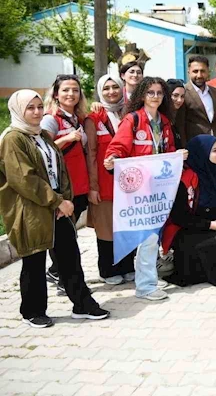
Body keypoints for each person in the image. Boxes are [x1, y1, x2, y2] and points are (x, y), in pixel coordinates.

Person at [0, 90, 109, 328]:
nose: (37, 112)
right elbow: (24, 179)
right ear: (19, 110)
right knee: (34, 260)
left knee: (70, 257)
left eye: (40, 107)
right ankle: (32, 310)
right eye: (30, 108)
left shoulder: (41, 136)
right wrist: (57, 201)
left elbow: (59, 170)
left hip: (56, 206)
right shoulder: (13, 139)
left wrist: (64, 201)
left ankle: (82, 304)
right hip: (31, 210)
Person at [104, 77, 183, 301]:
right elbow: (118, 146)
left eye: (159, 93)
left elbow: (168, 151)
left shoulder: (165, 122)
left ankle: (148, 278)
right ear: (141, 95)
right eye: (150, 93)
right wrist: (113, 159)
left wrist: (178, 156)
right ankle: (145, 286)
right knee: (148, 238)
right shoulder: (133, 120)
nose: (155, 97)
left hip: (160, 189)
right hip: (140, 190)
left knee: (154, 236)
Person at [162, 136, 216, 287]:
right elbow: (179, 217)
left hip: (215, 223)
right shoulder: (186, 178)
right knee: (202, 244)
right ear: (202, 153)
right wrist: (209, 225)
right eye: (215, 151)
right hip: (189, 228)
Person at [41, 74, 90, 286]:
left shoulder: (77, 118)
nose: (71, 94)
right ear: (56, 94)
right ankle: (64, 277)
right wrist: (67, 138)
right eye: (66, 90)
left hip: (79, 185)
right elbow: (42, 151)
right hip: (62, 187)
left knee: (68, 232)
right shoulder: (50, 119)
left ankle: (55, 270)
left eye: (75, 90)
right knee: (64, 235)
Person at [85, 74, 135, 284]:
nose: (111, 92)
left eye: (115, 87)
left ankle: (127, 266)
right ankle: (108, 270)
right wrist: (93, 187)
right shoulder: (93, 118)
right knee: (106, 228)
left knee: (127, 225)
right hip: (104, 184)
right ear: (99, 91)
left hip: (129, 183)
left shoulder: (131, 113)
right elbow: (91, 154)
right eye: (106, 88)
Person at [177, 55, 216, 142]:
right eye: (195, 71)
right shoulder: (183, 93)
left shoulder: (215, 93)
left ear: (208, 72)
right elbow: (180, 125)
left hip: (215, 145)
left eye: (202, 71)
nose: (199, 75)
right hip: (195, 146)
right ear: (188, 72)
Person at [166, 79, 187, 149]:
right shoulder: (160, 116)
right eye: (175, 95)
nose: (179, 100)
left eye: (182, 96)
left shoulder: (182, 115)